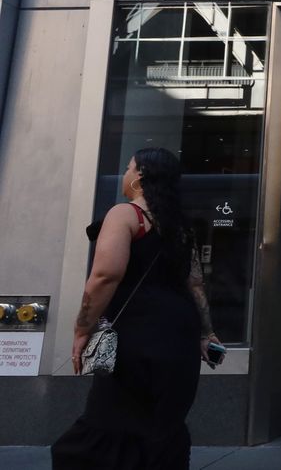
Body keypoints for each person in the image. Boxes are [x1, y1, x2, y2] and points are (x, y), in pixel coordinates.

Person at [53, 148, 219, 469]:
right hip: (180, 338)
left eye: (129, 168)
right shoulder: (181, 227)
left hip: (136, 336)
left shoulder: (126, 214)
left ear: (140, 176)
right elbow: (196, 284)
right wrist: (207, 332)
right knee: (163, 428)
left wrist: (81, 329)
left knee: (105, 427)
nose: (125, 174)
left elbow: (105, 275)